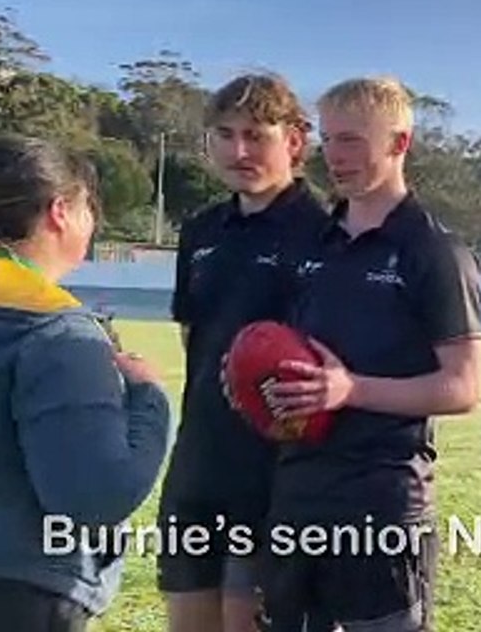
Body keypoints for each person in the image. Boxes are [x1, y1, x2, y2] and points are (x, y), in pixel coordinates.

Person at [257, 76, 481, 632]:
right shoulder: (311, 242)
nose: (334, 155)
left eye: (352, 140)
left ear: (399, 143)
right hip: (296, 499)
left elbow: (463, 387)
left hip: (382, 509)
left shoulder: (434, 251)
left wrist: (351, 389)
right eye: (329, 139)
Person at [156, 73, 331, 632]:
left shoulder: (326, 232)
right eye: (225, 135)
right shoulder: (201, 230)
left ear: (294, 142)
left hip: (278, 478)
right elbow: (195, 337)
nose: (239, 151)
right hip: (198, 466)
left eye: (256, 135)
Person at [0, 133, 171, 630]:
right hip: (20, 592)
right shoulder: (57, 335)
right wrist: (150, 400)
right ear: (60, 211)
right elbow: (95, 495)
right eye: (90, 207)